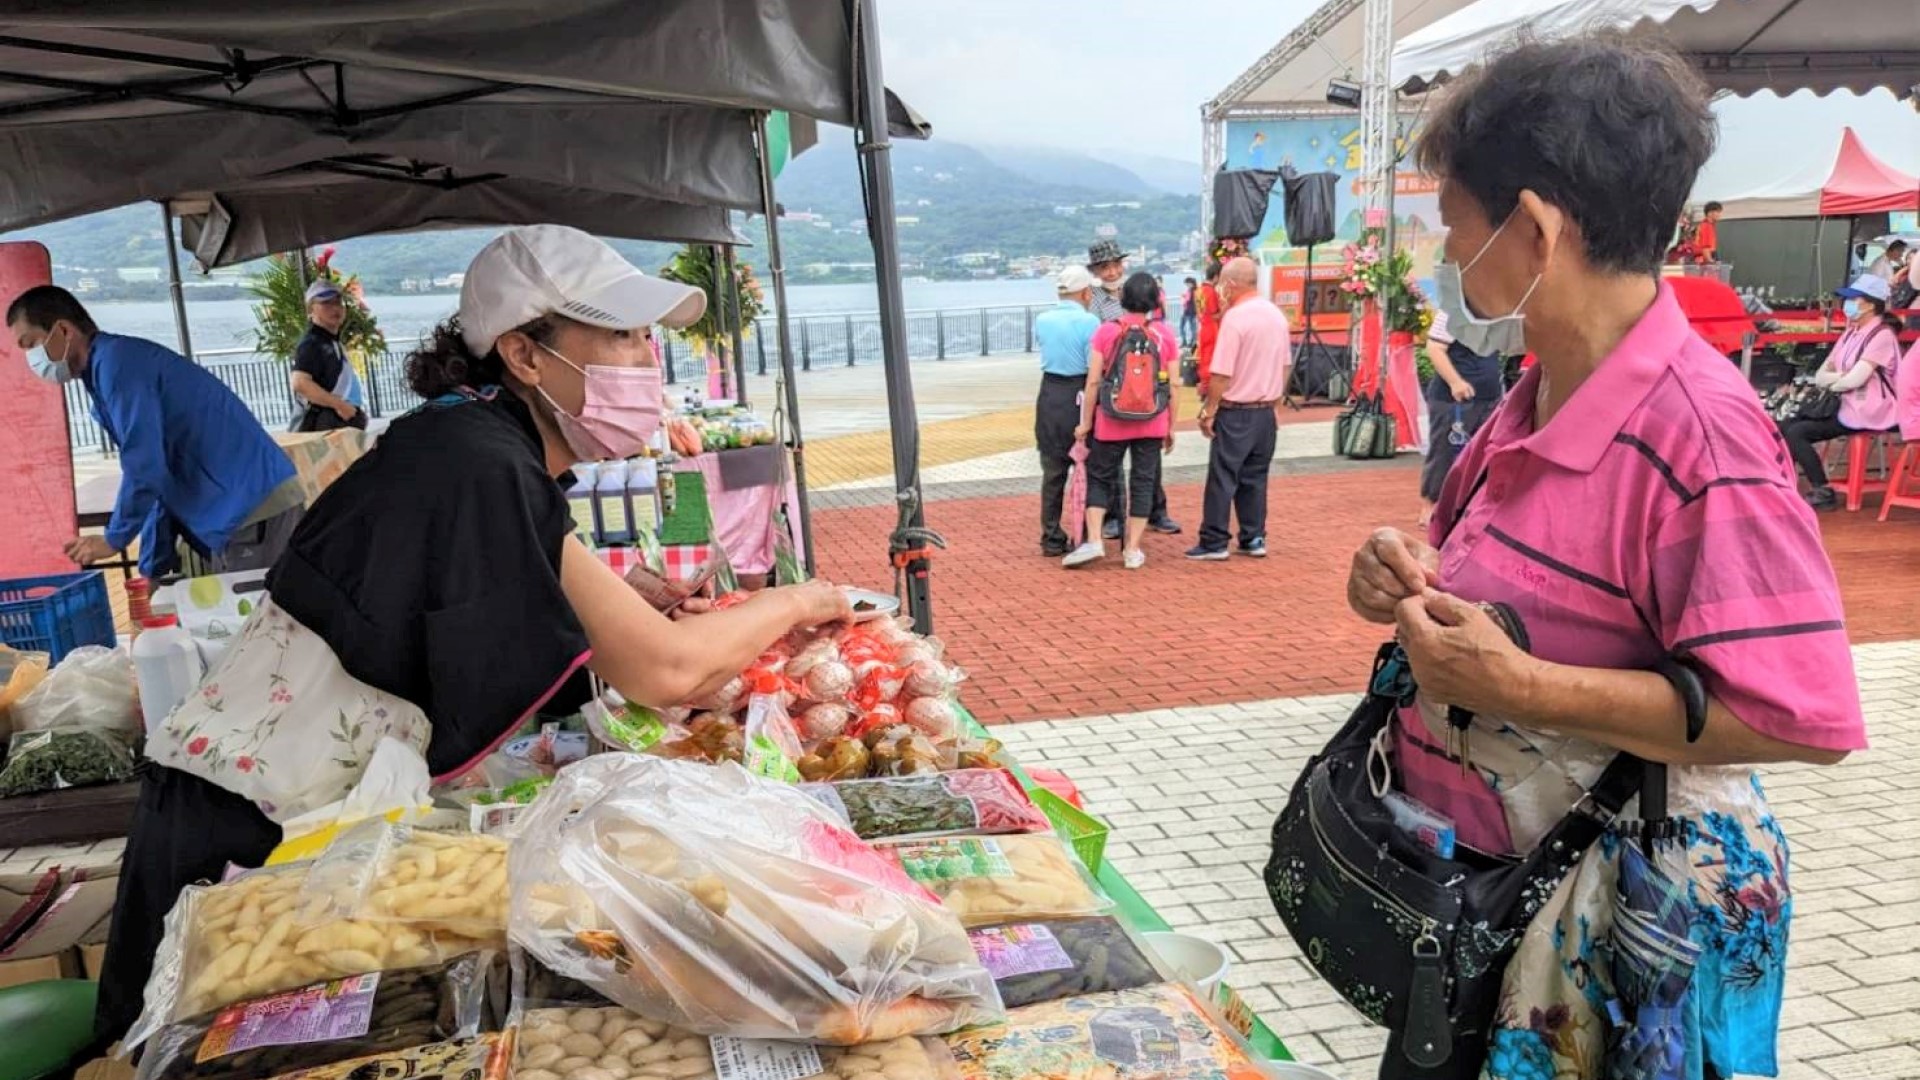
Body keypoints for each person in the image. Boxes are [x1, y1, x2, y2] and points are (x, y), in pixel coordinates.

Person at [92, 225, 854, 1042]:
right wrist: (797, 600)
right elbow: (666, 672)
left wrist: (628, 598)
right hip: (244, 830)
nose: (647, 360)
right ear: (526, 355)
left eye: (650, 337)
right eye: (623, 335)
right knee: (180, 1045)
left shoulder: (473, 439)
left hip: (270, 809)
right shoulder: (479, 457)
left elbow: (546, 598)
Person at [1342, 36, 1863, 1080]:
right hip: (1497, 909)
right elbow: (1484, 575)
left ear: (1533, 230)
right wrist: (1398, 574)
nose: (1450, 261)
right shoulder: (1536, 396)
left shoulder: (1698, 439)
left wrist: (1526, 685)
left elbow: (1801, 716)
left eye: (1456, 228)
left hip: (1614, 953)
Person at [8, 286, 303, 578]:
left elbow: (146, 466)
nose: (32, 360)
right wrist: (152, 569)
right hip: (238, 505)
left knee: (262, 618)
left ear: (63, 330)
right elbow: (157, 479)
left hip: (251, 503)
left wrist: (114, 539)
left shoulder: (118, 365)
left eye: (31, 343)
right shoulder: (105, 372)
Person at [1064, 273, 1178, 570]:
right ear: (1155, 301)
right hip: (1153, 420)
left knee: (1101, 477)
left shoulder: (1106, 331)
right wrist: (1171, 426)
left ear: (1123, 299)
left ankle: (1095, 541)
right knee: (1143, 482)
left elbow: (1093, 382)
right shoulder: (1164, 334)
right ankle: (1132, 550)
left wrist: (1085, 423)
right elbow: (1174, 385)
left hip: (1111, 420)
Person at [1189, 257, 1288, 561]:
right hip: (1265, 411)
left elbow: (1222, 373)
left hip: (1236, 410)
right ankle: (1253, 536)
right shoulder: (1276, 315)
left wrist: (1210, 408)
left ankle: (1214, 540)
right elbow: (1285, 365)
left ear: (1230, 285)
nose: (1219, 290)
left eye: (1221, 284)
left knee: (1223, 476)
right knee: (1255, 477)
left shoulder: (1235, 318)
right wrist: (1275, 402)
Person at [1781, 274, 1903, 509]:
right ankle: (1782, 480)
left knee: (1799, 432)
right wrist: (1840, 379)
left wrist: (1836, 380)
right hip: (1845, 404)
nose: (1847, 304)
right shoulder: (1851, 332)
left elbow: (1855, 379)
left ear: (1868, 304)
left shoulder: (1883, 336)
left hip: (1869, 410)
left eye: (1853, 298)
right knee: (1787, 425)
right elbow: (1821, 376)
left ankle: (1822, 489)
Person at [1086, 239, 1180, 538]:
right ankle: (1115, 516)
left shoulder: (1138, 289)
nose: (1112, 271)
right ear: (1097, 272)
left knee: (1145, 466)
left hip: (1147, 381)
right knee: (1114, 464)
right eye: (1105, 267)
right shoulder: (1096, 300)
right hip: (1116, 382)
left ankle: (1157, 511)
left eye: (1115, 265)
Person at [1033, 266, 1102, 556]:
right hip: (1079, 391)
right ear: (1086, 292)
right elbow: (1093, 368)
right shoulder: (1090, 322)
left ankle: (1051, 535)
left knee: (1052, 471)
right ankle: (1084, 533)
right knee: (1086, 467)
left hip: (1049, 394)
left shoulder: (1042, 319)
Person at [1417, 309, 1504, 527]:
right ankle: (1431, 504)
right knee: (1444, 452)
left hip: (1489, 396)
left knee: (1483, 453)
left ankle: (1472, 505)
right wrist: (1455, 382)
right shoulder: (1452, 311)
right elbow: (1435, 348)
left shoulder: (1497, 310)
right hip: (1453, 398)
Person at [290, 279, 368, 432]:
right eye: (326, 303)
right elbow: (300, 383)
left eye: (338, 302)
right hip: (326, 425)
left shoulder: (329, 340)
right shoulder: (312, 343)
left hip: (339, 421)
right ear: (311, 310)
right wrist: (339, 405)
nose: (335, 308)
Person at [1195, 261, 1224, 396]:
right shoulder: (1210, 291)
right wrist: (1226, 306)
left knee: (1204, 357)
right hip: (1212, 328)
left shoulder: (1198, 290)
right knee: (1211, 358)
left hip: (1203, 328)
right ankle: (1208, 387)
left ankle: (1204, 385)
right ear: (1216, 276)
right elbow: (1214, 315)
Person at [1179, 276, 1199, 349]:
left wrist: (1184, 296)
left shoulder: (1193, 291)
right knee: (1186, 327)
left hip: (1191, 312)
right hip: (1187, 311)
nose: (1187, 285)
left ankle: (1191, 342)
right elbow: (1188, 298)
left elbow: (1188, 299)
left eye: (1187, 284)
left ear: (1191, 283)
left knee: (1192, 328)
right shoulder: (1191, 290)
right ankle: (1187, 342)